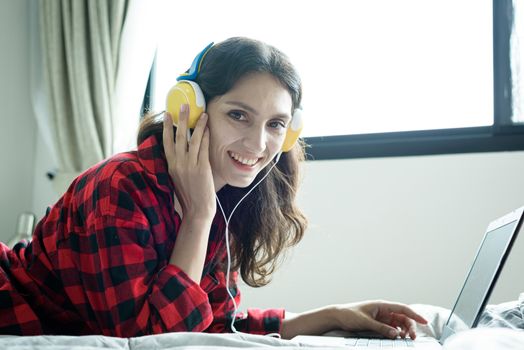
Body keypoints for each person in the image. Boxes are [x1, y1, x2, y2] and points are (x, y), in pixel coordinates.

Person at [0, 37, 427, 338]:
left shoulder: (224, 193)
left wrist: (333, 316)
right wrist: (199, 215)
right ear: (189, 110)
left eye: (275, 124)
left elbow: (214, 323)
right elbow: (156, 341)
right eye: (238, 115)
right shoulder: (121, 187)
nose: (258, 145)